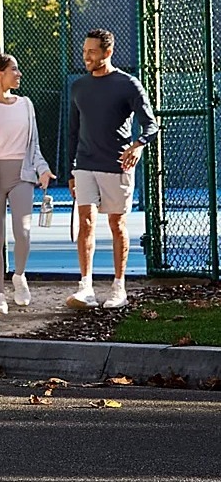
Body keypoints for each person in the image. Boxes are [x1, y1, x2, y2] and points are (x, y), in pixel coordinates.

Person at [66, 29, 157, 310]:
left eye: (92, 52)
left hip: (117, 166)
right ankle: (86, 288)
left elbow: (151, 125)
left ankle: (119, 288)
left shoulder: (128, 84)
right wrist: (71, 172)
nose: (86, 56)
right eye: (85, 51)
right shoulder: (78, 87)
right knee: (86, 222)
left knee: (117, 226)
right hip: (85, 166)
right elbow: (73, 132)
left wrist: (138, 146)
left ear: (108, 52)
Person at [0, 53, 54, 314]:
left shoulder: (26, 105)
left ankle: (19, 276)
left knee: (23, 231)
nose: (19, 74)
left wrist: (43, 169)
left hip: (22, 176)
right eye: (14, 69)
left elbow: (34, 146)